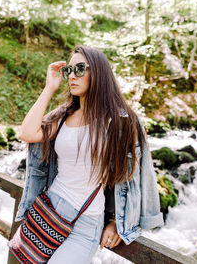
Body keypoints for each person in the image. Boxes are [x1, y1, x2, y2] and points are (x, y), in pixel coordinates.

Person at [16, 45, 164, 263]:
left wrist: (117, 221)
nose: (72, 76)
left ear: (98, 72)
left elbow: (133, 177)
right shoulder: (64, 115)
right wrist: (49, 88)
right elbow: (27, 132)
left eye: (80, 69)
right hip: (48, 212)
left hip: (85, 223)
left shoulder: (121, 121)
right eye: (69, 70)